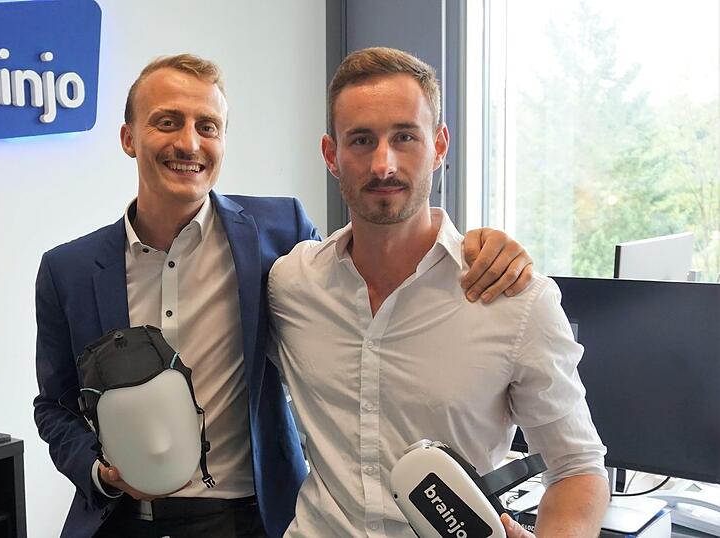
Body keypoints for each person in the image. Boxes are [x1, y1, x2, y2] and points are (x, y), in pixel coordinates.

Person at [34, 53, 534, 538]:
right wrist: (99, 471)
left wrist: (473, 245)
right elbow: (53, 407)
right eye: (167, 122)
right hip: (122, 521)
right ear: (128, 138)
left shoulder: (279, 231)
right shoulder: (68, 270)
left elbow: (369, 270)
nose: (188, 143)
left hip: (254, 520)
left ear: (223, 140)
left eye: (207, 126)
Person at [267, 47, 610, 538]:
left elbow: (577, 466)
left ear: (440, 145)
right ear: (331, 155)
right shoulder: (291, 283)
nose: (383, 164)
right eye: (361, 140)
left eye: (405, 136)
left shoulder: (515, 298)